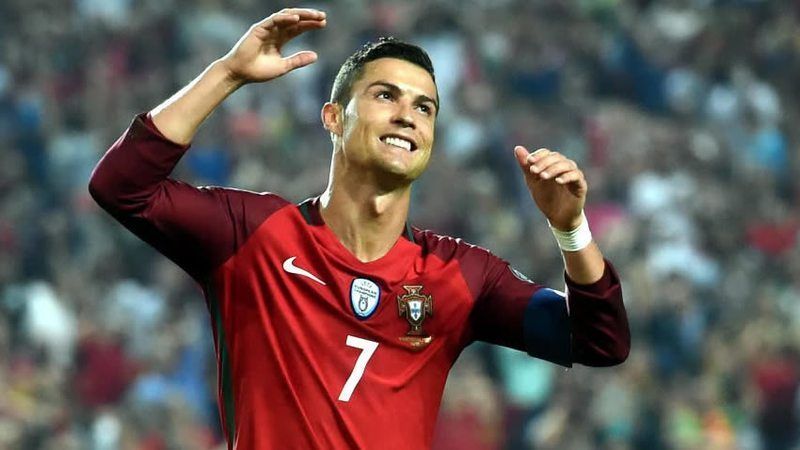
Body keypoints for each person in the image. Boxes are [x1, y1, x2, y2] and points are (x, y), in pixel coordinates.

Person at [89, 8, 629, 449]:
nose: (407, 115)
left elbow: (599, 341)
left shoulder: (460, 276)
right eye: (385, 95)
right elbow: (120, 185)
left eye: (425, 107)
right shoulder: (254, 235)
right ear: (333, 117)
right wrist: (228, 74)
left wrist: (570, 229)